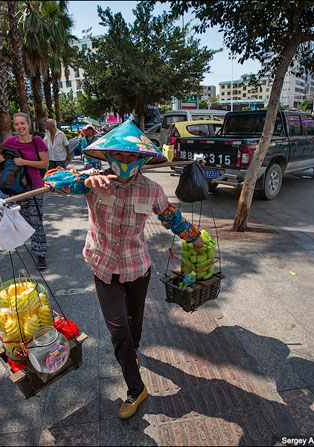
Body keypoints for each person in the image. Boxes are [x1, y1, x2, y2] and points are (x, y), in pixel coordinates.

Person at [82, 120, 204, 420]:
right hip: (103, 266)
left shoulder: (151, 190)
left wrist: (194, 237)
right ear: (108, 155)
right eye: (119, 155)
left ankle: (131, 354)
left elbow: (171, 217)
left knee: (134, 323)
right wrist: (83, 180)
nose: (125, 160)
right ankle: (136, 388)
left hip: (137, 267)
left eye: (131, 156)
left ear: (141, 159)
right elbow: (54, 180)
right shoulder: (93, 182)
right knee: (118, 329)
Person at [0, 112, 51, 270]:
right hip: (18, 188)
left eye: (22, 123)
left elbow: (44, 163)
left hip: (36, 186)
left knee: (36, 219)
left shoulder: (36, 141)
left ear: (28, 124)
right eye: (16, 124)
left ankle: (40, 253)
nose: (20, 127)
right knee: (26, 218)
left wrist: (24, 162)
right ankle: (37, 242)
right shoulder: (11, 141)